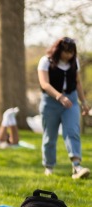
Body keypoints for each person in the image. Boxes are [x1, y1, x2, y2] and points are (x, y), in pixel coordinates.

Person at [37, 37, 90, 179]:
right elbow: (44, 84)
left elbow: (77, 82)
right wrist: (59, 96)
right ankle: (49, 166)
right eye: (66, 52)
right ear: (58, 50)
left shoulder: (74, 62)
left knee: (72, 131)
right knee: (50, 136)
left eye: (71, 52)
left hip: (71, 101)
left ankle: (77, 166)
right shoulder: (46, 61)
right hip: (51, 102)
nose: (68, 55)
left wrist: (83, 101)